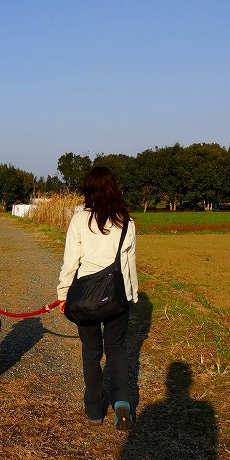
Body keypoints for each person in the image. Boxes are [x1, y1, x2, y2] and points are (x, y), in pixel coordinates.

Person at [57, 166, 138, 430]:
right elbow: (129, 264)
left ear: (88, 190)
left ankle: (94, 410)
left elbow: (70, 263)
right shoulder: (126, 221)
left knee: (91, 353)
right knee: (116, 348)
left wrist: (62, 295)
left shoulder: (79, 221)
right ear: (114, 188)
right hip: (117, 298)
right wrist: (132, 295)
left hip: (85, 299)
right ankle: (122, 401)